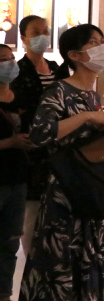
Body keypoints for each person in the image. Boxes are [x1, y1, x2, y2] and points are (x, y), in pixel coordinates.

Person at [19, 24, 104, 301]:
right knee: (64, 261)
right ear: (74, 55)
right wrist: (86, 117)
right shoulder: (59, 90)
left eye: (103, 42)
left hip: (93, 189)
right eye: (94, 43)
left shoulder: (92, 95)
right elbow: (39, 134)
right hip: (67, 193)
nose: (103, 48)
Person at [9, 16, 59, 257]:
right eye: (35, 32)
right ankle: (32, 260)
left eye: (45, 31)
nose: (42, 36)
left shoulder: (56, 68)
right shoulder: (18, 71)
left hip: (58, 146)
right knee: (31, 212)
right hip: (32, 149)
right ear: (24, 38)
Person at [0, 45, 32, 301]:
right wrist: (10, 143)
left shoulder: (20, 97)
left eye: (12, 58)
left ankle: (4, 293)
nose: (10, 63)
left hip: (18, 178)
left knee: (10, 241)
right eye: (3, 60)